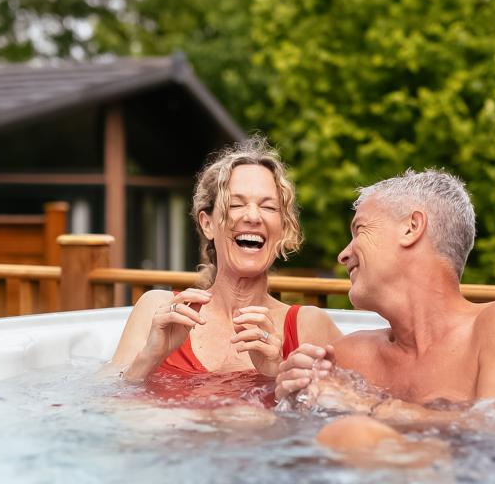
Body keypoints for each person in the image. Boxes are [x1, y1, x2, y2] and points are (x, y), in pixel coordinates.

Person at [274, 169, 495, 453]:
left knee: (354, 434)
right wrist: (291, 398)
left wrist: (367, 406)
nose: (343, 254)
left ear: (411, 227)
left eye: (359, 230)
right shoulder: (351, 355)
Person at [111, 137, 342, 409]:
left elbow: (351, 413)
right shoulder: (158, 310)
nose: (253, 216)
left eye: (268, 207)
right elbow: (106, 409)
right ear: (207, 223)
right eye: (236, 204)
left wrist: (273, 375)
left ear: (283, 228)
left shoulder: (309, 326)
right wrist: (150, 356)